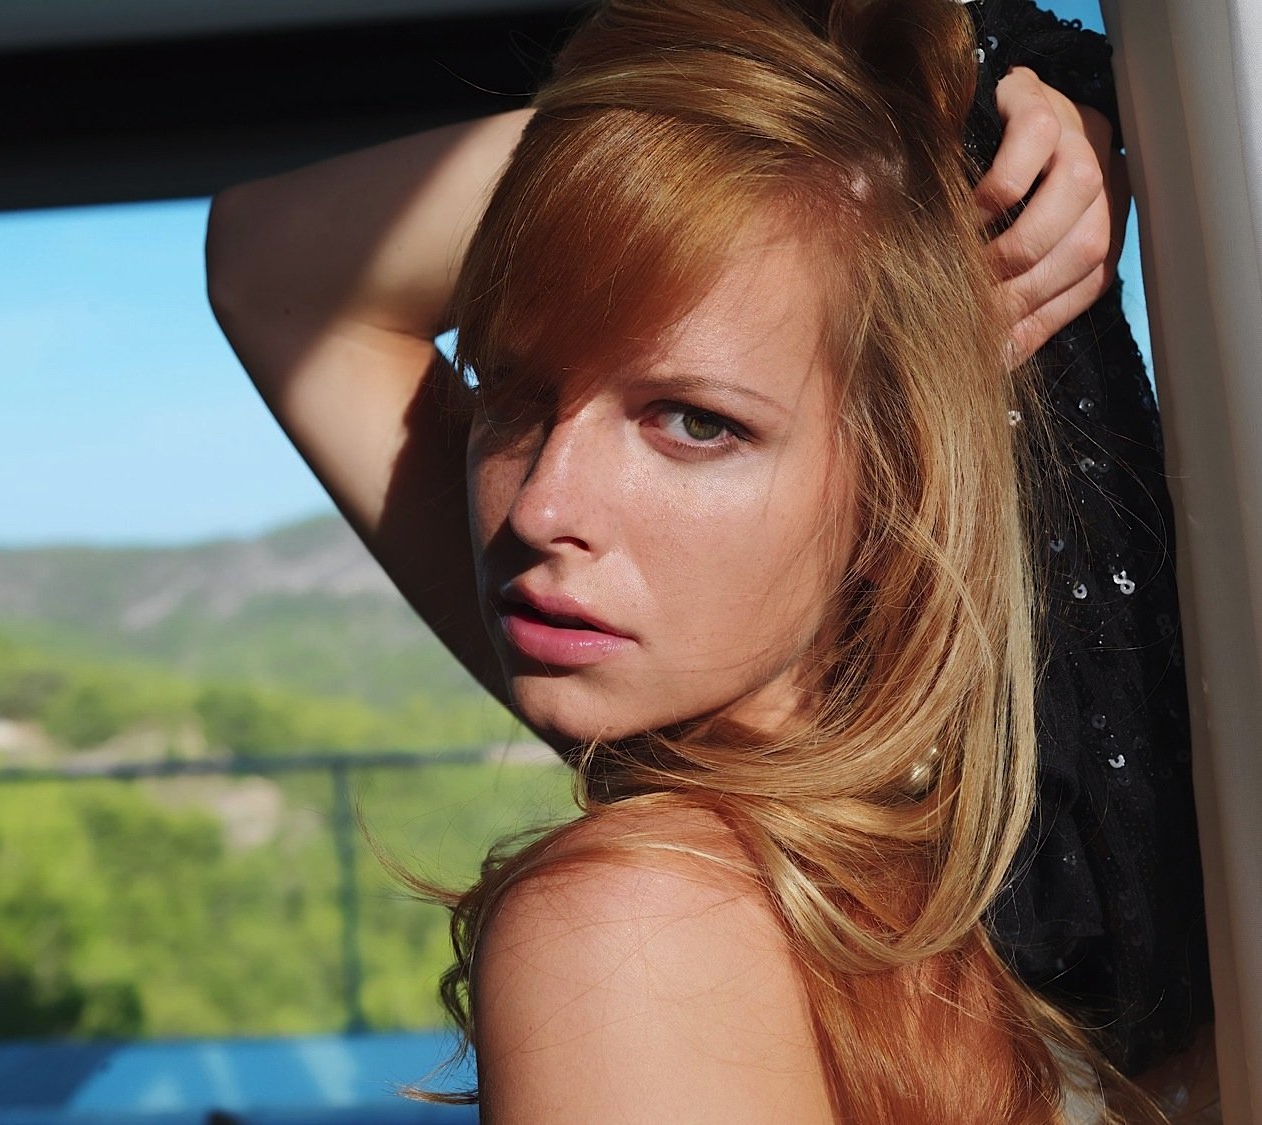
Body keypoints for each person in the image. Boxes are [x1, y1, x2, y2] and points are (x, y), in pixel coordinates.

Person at [207, 0, 1213, 1118]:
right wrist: (891, 121)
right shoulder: (1063, 909)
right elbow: (268, 264)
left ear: (900, 492)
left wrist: (902, 150)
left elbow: (276, 270)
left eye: (694, 422)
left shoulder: (643, 929)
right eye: (514, 393)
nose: (541, 506)